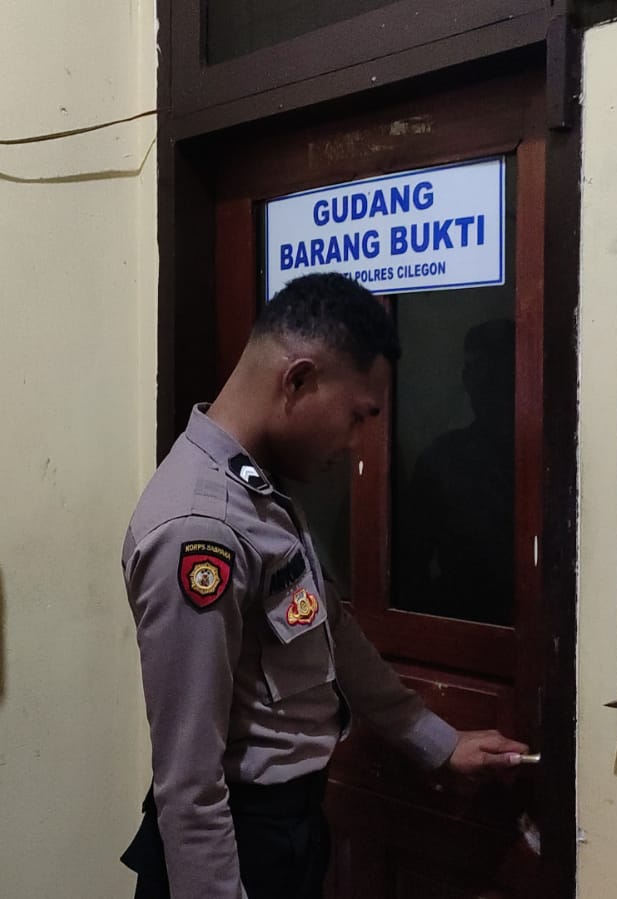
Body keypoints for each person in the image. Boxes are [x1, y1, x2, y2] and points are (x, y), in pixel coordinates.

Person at [119, 272, 529, 899]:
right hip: (235, 849)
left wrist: (437, 742)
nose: (355, 443)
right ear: (299, 380)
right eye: (356, 416)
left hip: (287, 830)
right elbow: (190, 781)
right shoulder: (200, 529)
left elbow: (327, 627)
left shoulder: (258, 489)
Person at [396, 318, 516, 624]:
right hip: (461, 624)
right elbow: (408, 567)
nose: (482, 385)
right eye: (473, 373)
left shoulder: (549, 460)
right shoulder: (444, 459)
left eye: (496, 372)